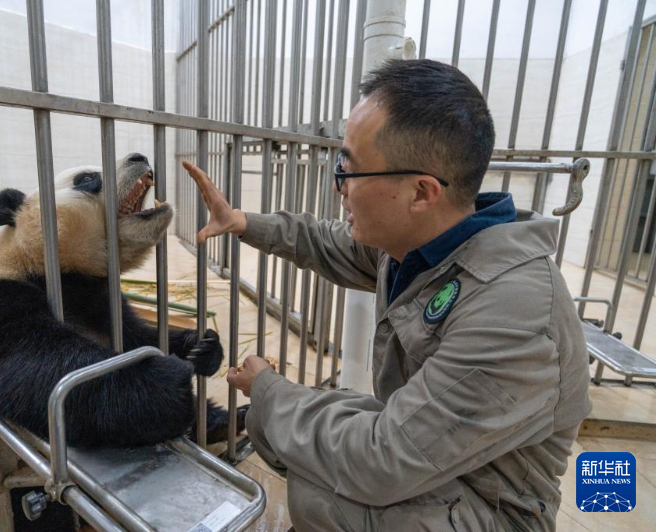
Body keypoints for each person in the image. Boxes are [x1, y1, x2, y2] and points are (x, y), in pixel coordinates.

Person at [182, 59, 591, 531]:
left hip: (495, 510)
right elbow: (326, 241)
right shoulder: (427, 241)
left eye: (348, 169)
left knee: (321, 489)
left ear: (421, 192)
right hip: (443, 464)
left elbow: (382, 460)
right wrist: (243, 222)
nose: (339, 187)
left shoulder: (514, 311)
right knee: (296, 431)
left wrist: (268, 391)